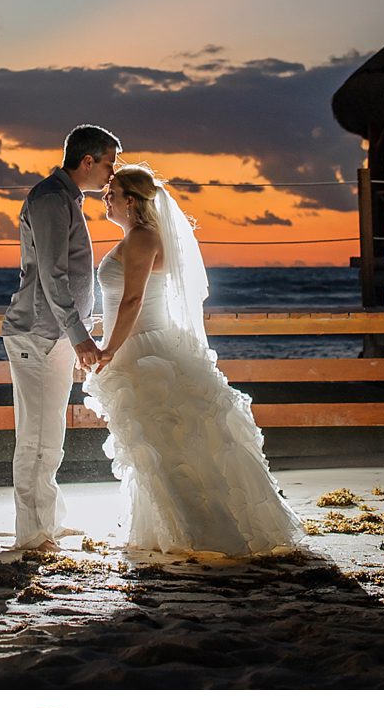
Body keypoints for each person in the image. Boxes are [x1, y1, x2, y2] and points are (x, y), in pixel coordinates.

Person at [84, 164, 304, 556]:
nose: (106, 198)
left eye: (112, 193)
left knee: (162, 441)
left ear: (130, 201)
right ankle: (166, 527)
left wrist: (108, 349)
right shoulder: (142, 236)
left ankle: (200, 530)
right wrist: (104, 325)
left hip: (142, 348)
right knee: (164, 441)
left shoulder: (141, 238)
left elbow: (134, 300)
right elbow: (129, 300)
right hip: (145, 340)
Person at [1, 123, 122, 552]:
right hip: (38, 332)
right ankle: (31, 533)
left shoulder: (63, 198)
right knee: (36, 435)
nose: (112, 173)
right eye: (108, 163)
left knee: (49, 433)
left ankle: (47, 521)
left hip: (49, 334)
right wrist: (80, 336)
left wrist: (74, 336)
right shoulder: (51, 199)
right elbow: (53, 276)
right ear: (86, 161)